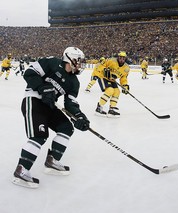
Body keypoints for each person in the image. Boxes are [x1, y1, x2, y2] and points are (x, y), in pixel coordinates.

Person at [12, 47, 90, 188]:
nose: (81, 64)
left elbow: (70, 103)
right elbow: (30, 73)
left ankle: (52, 160)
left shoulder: (74, 82)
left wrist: (79, 116)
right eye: (79, 61)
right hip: (34, 100)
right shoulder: (52, 63)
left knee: (66, 128)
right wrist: (43, 87)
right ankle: (21, 170)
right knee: (39, 136)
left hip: (50, 105)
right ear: (69, 59)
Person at [95, 51, 130, 117]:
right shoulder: (111, 60)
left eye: (123, 58)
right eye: (120, 57)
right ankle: (99, 107)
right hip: (103, 77)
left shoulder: (126, 68)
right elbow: (100, 65)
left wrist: (125, 85)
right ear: (118, 57)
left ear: (125, 59)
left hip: (112, 80)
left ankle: (111, 109)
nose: (121, 59)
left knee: (117, 92)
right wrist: (104, 69)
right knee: (110, 90)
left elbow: (123, 78)